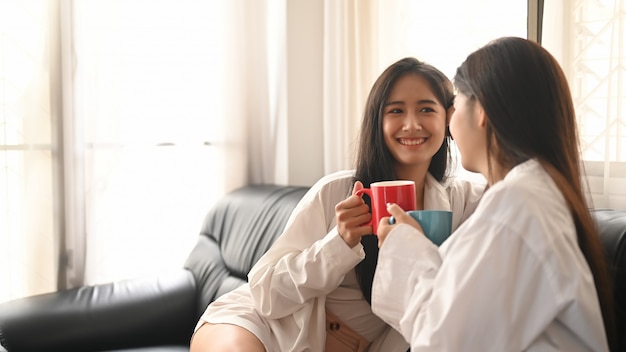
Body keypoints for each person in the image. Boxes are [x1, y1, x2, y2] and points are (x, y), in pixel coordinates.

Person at [190, 57, 485, 352]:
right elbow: (266, 294)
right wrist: (339, 243)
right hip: (260, 327)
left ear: (448, 118)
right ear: (377, 121)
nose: (411, 124)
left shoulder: (461, 202)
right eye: (396, 110)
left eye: (426, 109)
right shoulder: (337, 191)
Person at [372, 37, 617, 351]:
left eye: (455, 104)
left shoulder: (516, 206)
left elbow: (444, 342)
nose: (449, 123)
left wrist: (404, 244)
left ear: (482, 111)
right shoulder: (531, 196)